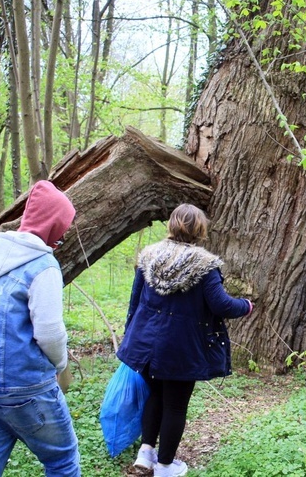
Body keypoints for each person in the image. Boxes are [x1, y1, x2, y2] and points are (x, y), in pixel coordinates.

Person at [117, 204, 253, 477]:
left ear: (172, 225)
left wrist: (130, 335)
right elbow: (221, 305)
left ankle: (146, 454)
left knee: (155, 395)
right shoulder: (204, 265)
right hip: (182, 347)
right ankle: (166, 466)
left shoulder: (149, 257)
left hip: (145, 344)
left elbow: (135, 302)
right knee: (176, 405)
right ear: (199, 230)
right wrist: (246, 305)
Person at [0, 180, 80, 476]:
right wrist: (60, 363)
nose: (59, 240)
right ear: (52, 225)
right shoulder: (43, 267)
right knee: (62, 461)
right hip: (25, 389)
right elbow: (49, 332)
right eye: (60, 232)